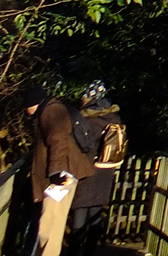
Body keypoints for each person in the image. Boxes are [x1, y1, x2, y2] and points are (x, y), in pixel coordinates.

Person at [23, 85, 93, 256]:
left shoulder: (51, 112)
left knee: (50, 224)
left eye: (26, 106)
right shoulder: (50, 110)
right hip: (64, 174)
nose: (25, 111)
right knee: (51, 223)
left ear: (33, 103)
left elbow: (58, 142)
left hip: (62, 177)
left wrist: (56, 172)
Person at [68, 81, 124, 255]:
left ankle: (75, 250)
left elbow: (82, 144)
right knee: (96, 212)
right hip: (106, 170)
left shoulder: (87, 119)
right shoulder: (115, 117)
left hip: (88, 169)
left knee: (80, 211)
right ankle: (91, 250)